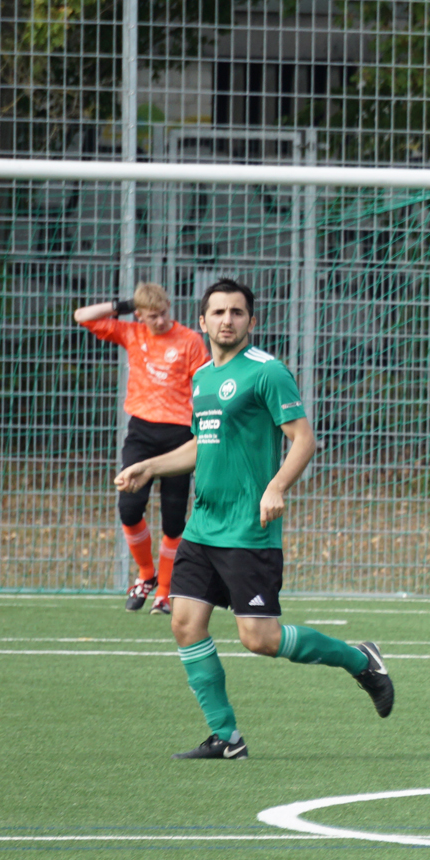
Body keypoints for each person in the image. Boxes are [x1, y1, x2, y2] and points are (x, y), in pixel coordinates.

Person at [113, 279, 394, 760]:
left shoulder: (268, 372)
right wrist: (151, 466)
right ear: (201, 321)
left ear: (251, 321)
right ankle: (226, 737)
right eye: (218, 312)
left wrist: (276, 486)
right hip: (204, 527)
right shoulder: (201, 378)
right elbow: (203, 443)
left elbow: (303, 439)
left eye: (237, 312)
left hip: (248, 530)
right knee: (184, 623)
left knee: (259, 639)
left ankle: (359, 659)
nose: (227, 320)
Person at [74, 283, 208, 614]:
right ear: (140, 315)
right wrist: (124, 303)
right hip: (141, 433)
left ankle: (164, 590)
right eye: (152, 315)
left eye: (164, 313)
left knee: (174, 519)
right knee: (129, 509)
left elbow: (205, 385)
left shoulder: (190, 340)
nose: (160, 320)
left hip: (180, 434)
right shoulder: (132, 333)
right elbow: (82, 316)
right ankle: (146, 574)